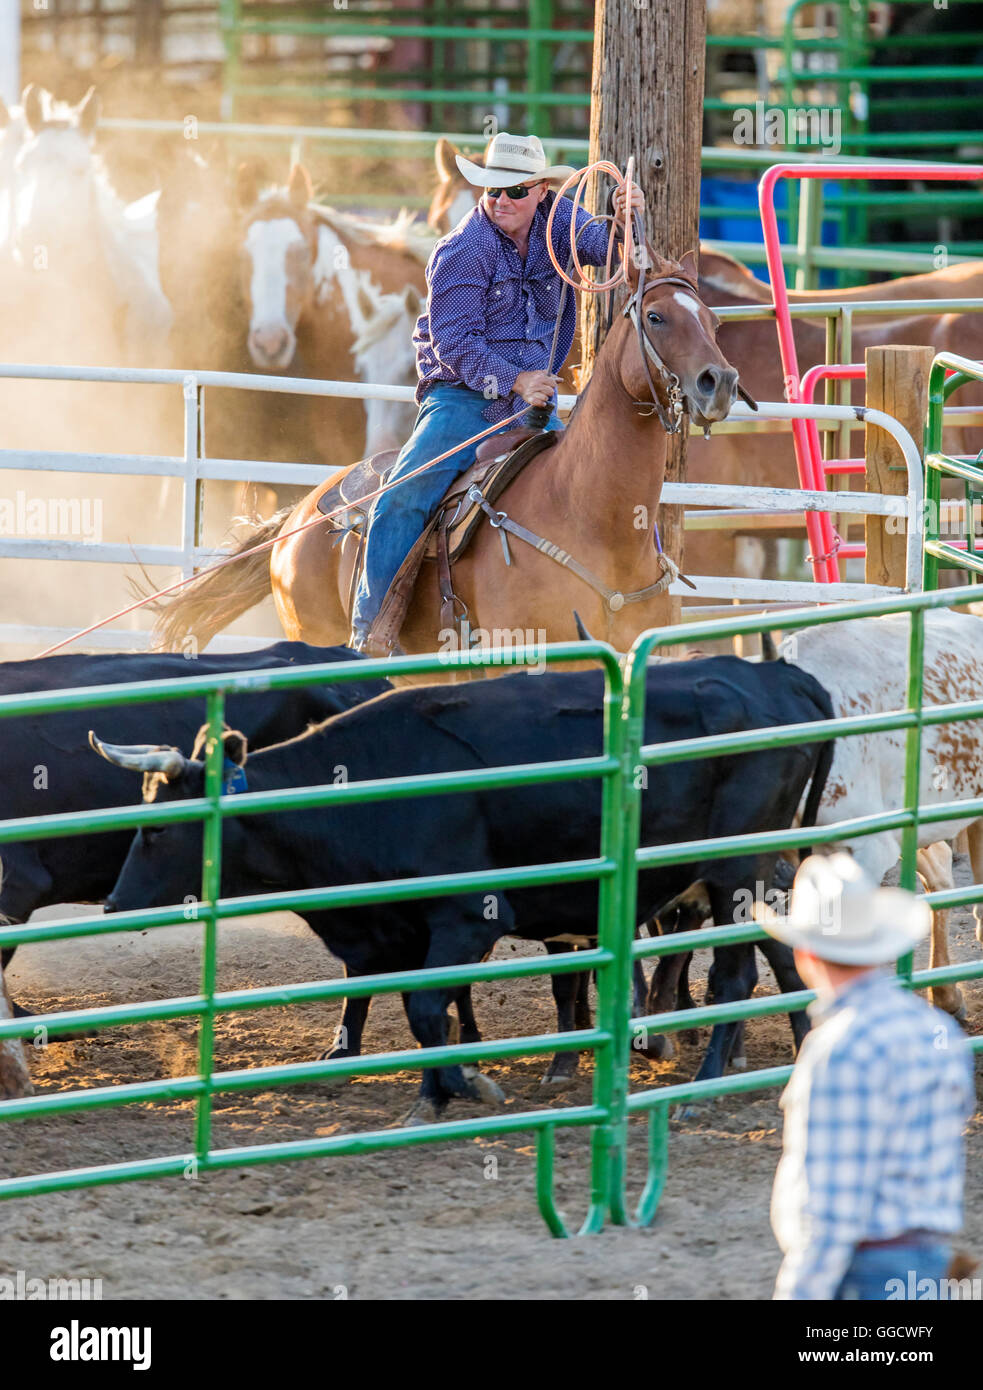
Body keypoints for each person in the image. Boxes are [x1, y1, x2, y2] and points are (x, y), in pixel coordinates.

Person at [348, 131, 645, 653]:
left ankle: (613, 602)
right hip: (464, 398)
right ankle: (370, 630)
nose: (501, 201)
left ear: (540, 192)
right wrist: (515, 380)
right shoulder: (463, 250)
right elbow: (455, 344)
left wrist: (626, 221)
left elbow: (616, 252)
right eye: (492, 191)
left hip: (533, 403)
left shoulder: (561, 221)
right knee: (402, 496)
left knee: (582, 487)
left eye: (514, 191)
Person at [757, 853, 975, 1301]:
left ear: (805, 953)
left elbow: (833, 1208)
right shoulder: (937, 1031)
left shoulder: (841, 1048)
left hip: (864, 1269)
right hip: (926, 1262)